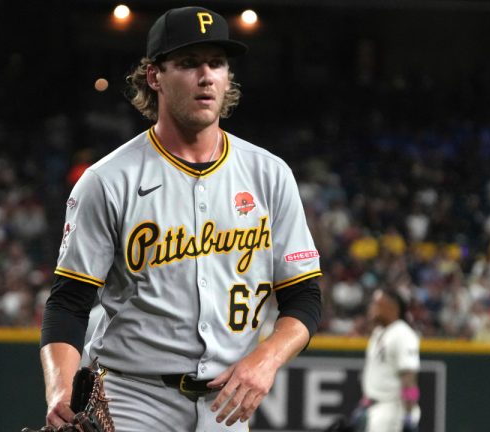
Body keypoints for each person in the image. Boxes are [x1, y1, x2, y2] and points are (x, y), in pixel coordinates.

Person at [37, 6, 322, 431]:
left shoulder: (269, 174)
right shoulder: (108, 180)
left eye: (217, 63)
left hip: (226, 405)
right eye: (189, 64)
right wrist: (60, 388)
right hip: (133, 397)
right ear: (154, 76)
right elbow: (69, 302)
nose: (206, 76)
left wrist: (266, 359)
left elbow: (304, 297)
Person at [360, 288, 421, 432]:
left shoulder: (403, 334)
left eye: (376, 304)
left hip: (393, 411)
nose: (372, 308)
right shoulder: (379, 332)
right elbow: (378, 377)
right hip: (376, 409)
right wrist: (364, 404)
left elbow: (409, 378)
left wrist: (408, 415)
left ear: (391, 307)